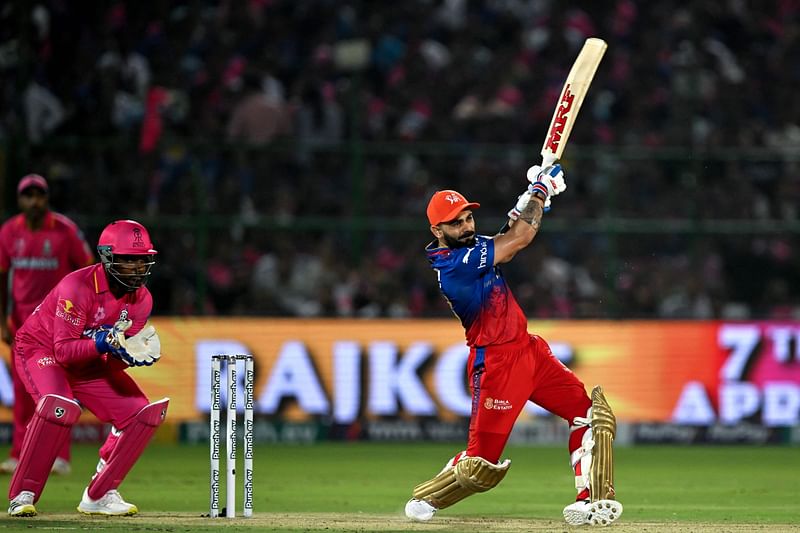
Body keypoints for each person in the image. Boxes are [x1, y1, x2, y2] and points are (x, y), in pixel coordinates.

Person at [404, 165, 623, 527]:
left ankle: (591, 501)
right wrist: (540, 191)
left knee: (591, 415)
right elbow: (517, 240)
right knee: (481, 467)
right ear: (436, 231)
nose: (466, 226)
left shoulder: (471, 246)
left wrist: (528, 203)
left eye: (468, 218)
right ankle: (426, 499)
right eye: (455, 223)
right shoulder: (453, 265)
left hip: (530, 351)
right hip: (498, 365)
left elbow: (507, 237)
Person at [7, 219, 166, 517]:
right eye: (128, 260)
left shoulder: (142, 301)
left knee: (140, 414)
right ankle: (23, 494)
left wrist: (128, 355)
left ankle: (100, 494)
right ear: (107, 258)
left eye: (142, 260)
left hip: (87, 359)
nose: (136, 268)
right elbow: (64, 351)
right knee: (59, 406)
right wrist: (106, 342)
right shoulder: (77, 287)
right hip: (41, 350)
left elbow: (110, 361)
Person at [0, 174, 95, 476]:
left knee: (57, 392)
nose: (34, 201)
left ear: (47, 197)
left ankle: (59, 456)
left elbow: (88, 271)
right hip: (22, 326)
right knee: (22, 393)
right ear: (20, 200)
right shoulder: (8, 232)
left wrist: (82, 316)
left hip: (59, 325)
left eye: (39, 195)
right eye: (28, 196)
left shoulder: (65, 231)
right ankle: (18, 454)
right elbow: (1, 279)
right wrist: (2, 319)